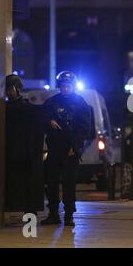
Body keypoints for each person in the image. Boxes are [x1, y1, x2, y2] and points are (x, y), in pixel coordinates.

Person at [41, 71, 91, 227]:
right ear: (59, 86)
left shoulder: (80, 102)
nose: (66, 88)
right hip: (54, 148)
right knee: (52, 182)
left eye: (68, 86)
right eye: (63, 86)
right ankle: (53, 214)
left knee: (69, 184)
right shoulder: (51, 102)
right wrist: (49, 121)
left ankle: (69, 215)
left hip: (70, 150)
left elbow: (84, 128)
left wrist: (75, 146)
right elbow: (41, 119)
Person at [4, 74, 45, 217]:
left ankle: (29, 210)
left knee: (27, 183)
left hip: (23, 152)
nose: (8, 92)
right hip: (13, 151)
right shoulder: (9, 107)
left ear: (17, 89)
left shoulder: (26, 108)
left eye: (10, 89)